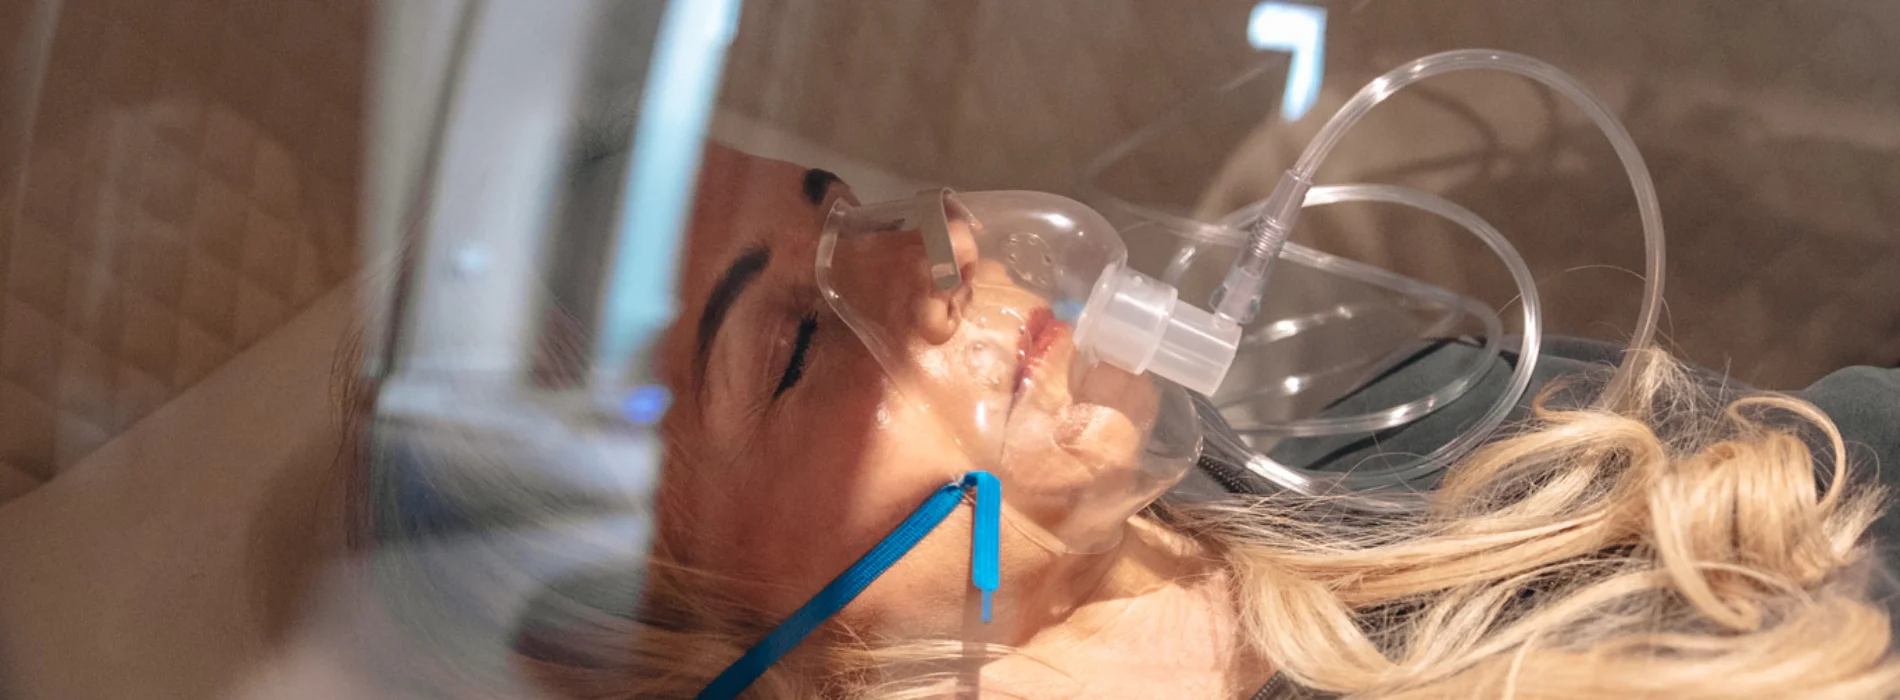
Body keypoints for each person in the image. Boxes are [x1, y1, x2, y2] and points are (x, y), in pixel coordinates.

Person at [355, 144, 1900, 699]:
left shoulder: (1387, 445)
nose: (931, 258)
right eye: (791, 355)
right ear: (706, 637)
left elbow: (1847, 457)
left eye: (843, 210)